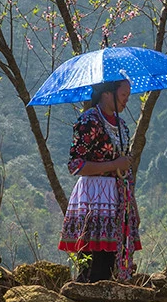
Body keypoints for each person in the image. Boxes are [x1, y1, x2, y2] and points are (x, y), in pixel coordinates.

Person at [58, 78, 141, 283]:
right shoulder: (89, 121)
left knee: (113, 257)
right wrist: (114, 165)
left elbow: (125, 165)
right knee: (94, 260)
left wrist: (133, 203)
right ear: (107, 93)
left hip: (118, 195)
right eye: (123, 95)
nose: (126, 100)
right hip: (94, 194)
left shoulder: (121, 126)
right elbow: (76, 165)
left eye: (128, 96)